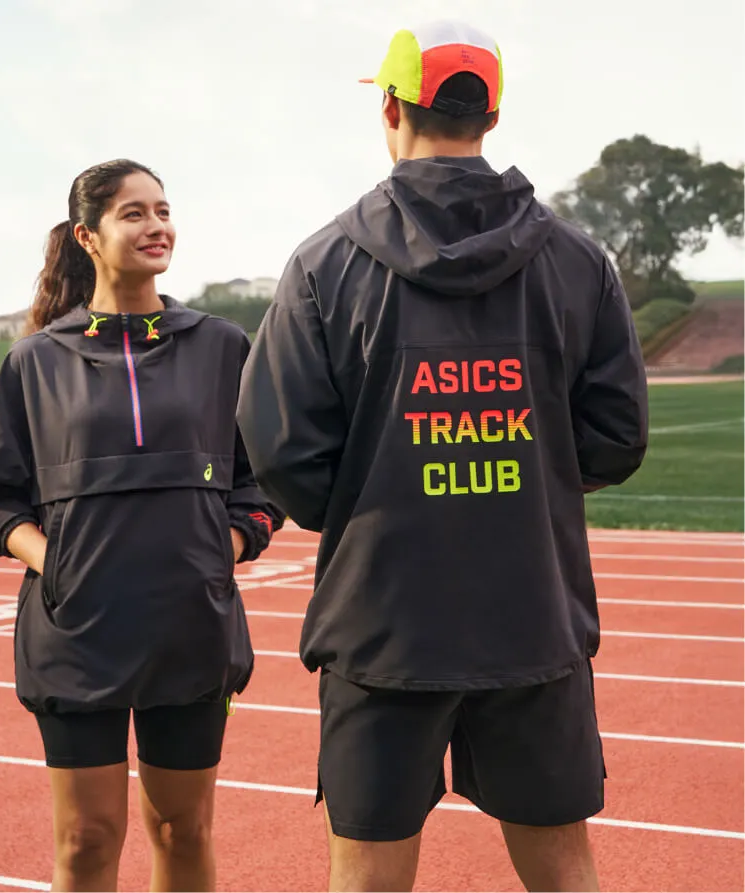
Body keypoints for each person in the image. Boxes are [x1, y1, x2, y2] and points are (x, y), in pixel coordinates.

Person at [236, 19, 648, 893]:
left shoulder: (322, 263)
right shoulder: (579, 260)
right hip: (532, 612)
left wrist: (386, 484)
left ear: (389, 106)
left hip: (383, 622)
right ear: (490, 116)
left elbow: (284, 453)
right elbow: (615, 437)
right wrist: (517, 479)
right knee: (563, 868)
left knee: (368, 874)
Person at [0, 158, 282, 892]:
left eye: (162, 210)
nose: (156, 225)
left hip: (189, 623)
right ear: (88, 236)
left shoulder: (222, 346)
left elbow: (261, 479)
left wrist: (223, 546)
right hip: (77, 630)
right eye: (133, 213)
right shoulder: (35, 361)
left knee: (182, 829)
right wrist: (55, 561)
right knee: (86, 837)